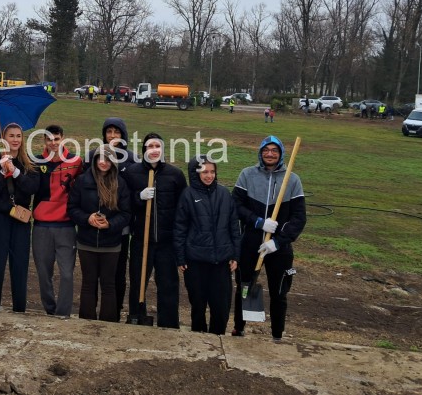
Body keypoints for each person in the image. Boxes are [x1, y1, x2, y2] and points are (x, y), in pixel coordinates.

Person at [231, 135, 306, 341]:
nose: (270, 154)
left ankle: (277, 334)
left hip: (278, 248)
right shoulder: (247, 174)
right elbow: (235, 206)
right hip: (250, 242)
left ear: (281, 154)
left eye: (274, 150)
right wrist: (258, 222)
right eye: (266, 150)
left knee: (279, 292)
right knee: (244, 287)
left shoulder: (293, 179)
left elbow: (299, 218)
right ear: (260, 152)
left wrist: (278, 241)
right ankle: (239, 327)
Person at [125, 133, 187, 328]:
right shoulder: (132, 173)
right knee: (138, 282)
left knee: (168, 285)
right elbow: (124, 203)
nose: (154, 150)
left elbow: (182, 209)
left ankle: (168, 323)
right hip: (141, 239)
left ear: (162, 150)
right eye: (150, 146)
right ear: (144, 150)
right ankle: (137, 317)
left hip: (166, 242)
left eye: (157, 146)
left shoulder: (175, 175)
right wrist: (138, 197)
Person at [174, 155, 240, 335]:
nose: (208, 175)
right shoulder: (187, 195)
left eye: (212, 171)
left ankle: (217, 338)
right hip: (195, 261)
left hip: (221, 261)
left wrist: (235, 255)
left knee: (221, 306)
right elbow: (180, 228)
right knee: (198, 304)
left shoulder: (225, 194)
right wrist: (180, 257)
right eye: (204, 172)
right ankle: (198, 337)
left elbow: (234, 226)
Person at [68, 144, 131, 321]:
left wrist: (110, 224)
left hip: (111, 244)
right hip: (86, 242)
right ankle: (86, 321)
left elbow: (126, 214)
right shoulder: (82, 181)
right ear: (95, 160)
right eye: (100, 158)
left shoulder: (120, 183)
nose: (104, 162)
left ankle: (108, 323)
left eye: (108, 159)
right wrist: (87, 218)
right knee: (88, 284)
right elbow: (72, 208)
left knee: (108, 285)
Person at [0, 123, 40, 312]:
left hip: (21, 221)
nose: (15, 139)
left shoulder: (29, 163)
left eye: (18, 136)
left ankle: (19, 309)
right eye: (11, 136)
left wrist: (14, 172)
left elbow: (31, 188)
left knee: (19, 266)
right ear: (3, 139)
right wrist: (2, 171)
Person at [32, 124, 83, 317]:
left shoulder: (75, 161)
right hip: (41, 226)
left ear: (63, 138)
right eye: (49, 139)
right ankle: (50, 309)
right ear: (44, 141)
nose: (53, 143)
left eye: (56, 139)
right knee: (44, 274)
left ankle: (63, 313)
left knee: (67, 274)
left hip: (66, 226)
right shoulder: (35, 161)